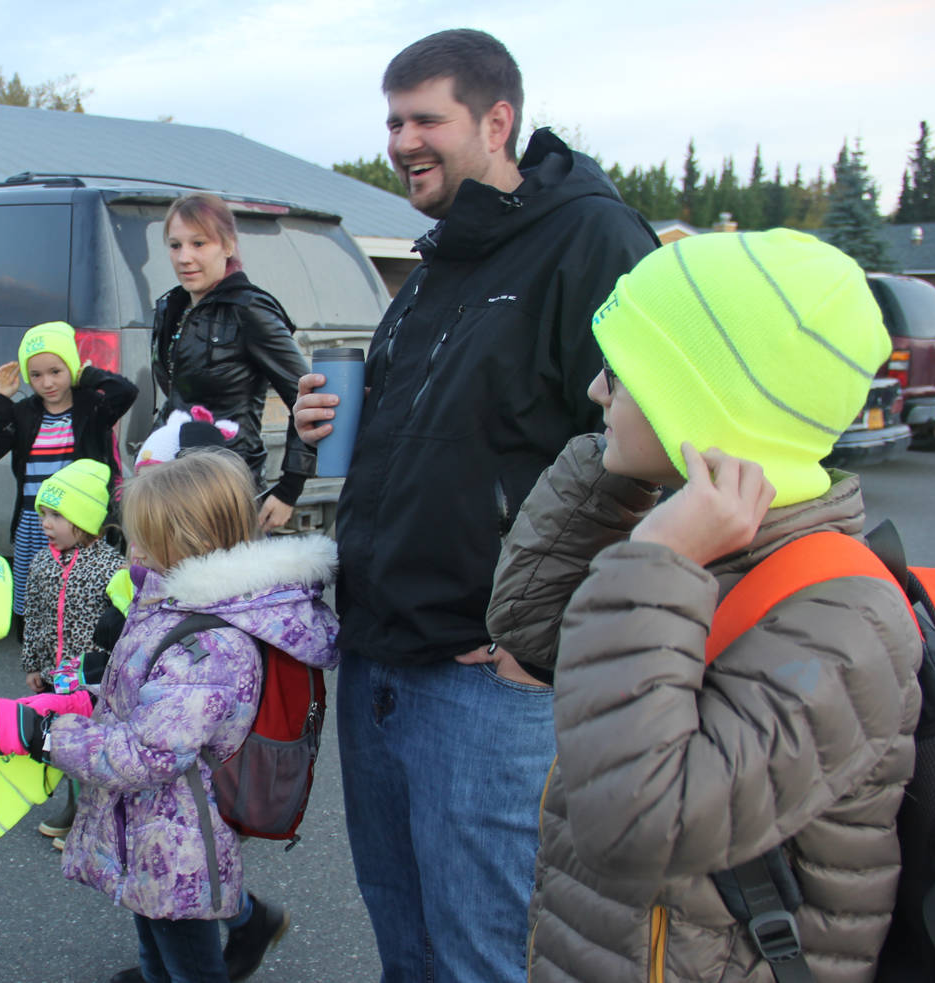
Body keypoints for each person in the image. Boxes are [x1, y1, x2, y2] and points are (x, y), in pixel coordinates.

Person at [291, 29, 659, 983]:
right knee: (403, 937)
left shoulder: (594, 240)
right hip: (381, 650)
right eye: (392, 121)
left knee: (485, 955)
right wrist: (317, 424)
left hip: (485, 681)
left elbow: (643, 459)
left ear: (497, 121)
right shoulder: (440, 257)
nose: (402, 140)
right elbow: (434, 447)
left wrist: (541, 643)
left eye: (425, 119)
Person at [486, 229, 921, 981]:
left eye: (622, 373)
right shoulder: (714, 540)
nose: (596, 390)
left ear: (702, 403)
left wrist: (656, 561)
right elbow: (528, 623)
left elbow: (640, 823)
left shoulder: (845, 621)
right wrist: (618, 478)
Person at [0, 449, 339, 983]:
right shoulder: (169, 604)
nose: (131, 546)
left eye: (143, 536)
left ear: (186, 541)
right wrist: (80, 701)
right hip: (156, 829)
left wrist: (45, 737)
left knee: (186, 959)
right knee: (153, 938)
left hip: (181, 834)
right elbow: (142, 692)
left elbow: (150, 753)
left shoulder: (204, 643)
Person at [152, 194, 313, 532]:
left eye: (199, 243)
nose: (185, 257)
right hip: (175, 484)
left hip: (230, 492)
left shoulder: (249, 309)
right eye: (175, 245)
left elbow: (309, 397)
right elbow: (177, 398)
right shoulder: (172, 307)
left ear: (227, 246)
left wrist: (289, 488)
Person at [0, 320, 137, 635]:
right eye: (36, 375)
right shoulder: (23, 413)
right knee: (34, 604)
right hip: (35, 525)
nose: (46, 382)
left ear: (70, 369)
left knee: (86, 602)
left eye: (56, 371)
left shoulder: (92, 407)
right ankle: (39, 663)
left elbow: (126, 391)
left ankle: (83, 666)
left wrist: (85, 375)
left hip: (82, 525)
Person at [18, 457, 126, 847]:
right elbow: (35, 615)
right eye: (44, 514)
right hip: (55, 673)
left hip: (91, 677)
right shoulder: (41, 563)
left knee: (90, 742)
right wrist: (34, 664)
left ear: (83, 521)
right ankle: (74, 807)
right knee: (60, 738)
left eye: (55, 515)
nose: (45, 523)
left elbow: (125, 621)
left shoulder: (112, 567)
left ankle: (87, 816)